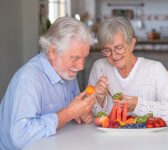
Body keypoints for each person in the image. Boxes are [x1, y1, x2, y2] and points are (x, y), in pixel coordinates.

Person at [0, 17, 96, 150]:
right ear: (52, 52)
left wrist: (82, 113)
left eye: (84, 58)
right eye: (74, 58)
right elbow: (19, 138)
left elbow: (74, 114)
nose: (81, 66)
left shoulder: (67, 73)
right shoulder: (29, 79)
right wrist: (69, 113)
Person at [89, 16, 168, 121]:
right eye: (107, 50)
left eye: (119, 48)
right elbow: (88, 116)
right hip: (110, 136)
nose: (114, 55)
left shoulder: (154, 69)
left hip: (149, 137)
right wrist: (99, 100)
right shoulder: (99, 67)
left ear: (132, 44)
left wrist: (139, 106)